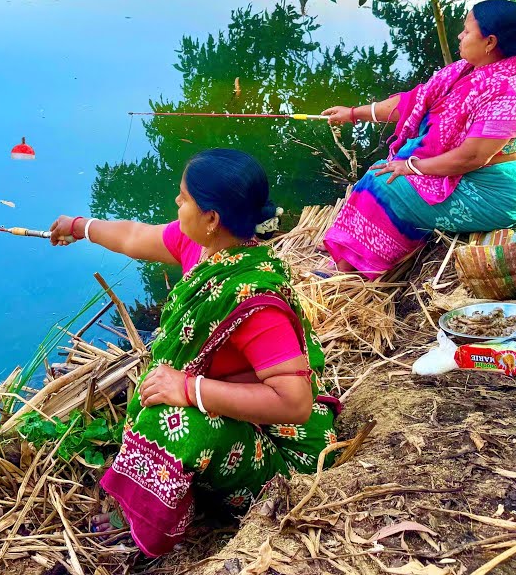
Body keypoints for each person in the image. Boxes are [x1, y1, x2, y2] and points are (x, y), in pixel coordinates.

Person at [49, 149, 339, 557]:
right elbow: (135, 237)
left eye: (183, 198)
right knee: (158, 391)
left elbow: (295, 405)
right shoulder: (200, 247)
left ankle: (150, 524)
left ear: (212, 218)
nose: (176, 204)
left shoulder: (255, 300)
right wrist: (81, 226)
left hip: (286, 457)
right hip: (242, 418)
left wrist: (191, 389)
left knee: (170, 421)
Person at [319, 0, 516, 277]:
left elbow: (473, 156)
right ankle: (353, 246)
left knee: (384, 183)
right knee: (395, 161)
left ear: (490, 42)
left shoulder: (509, 91)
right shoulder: (463, 71)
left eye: (466, 31)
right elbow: (412, 103)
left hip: (491, 193)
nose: (460, 36)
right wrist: (353, 113)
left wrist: (411, 167)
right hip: (467, 173)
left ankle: (349, 268)